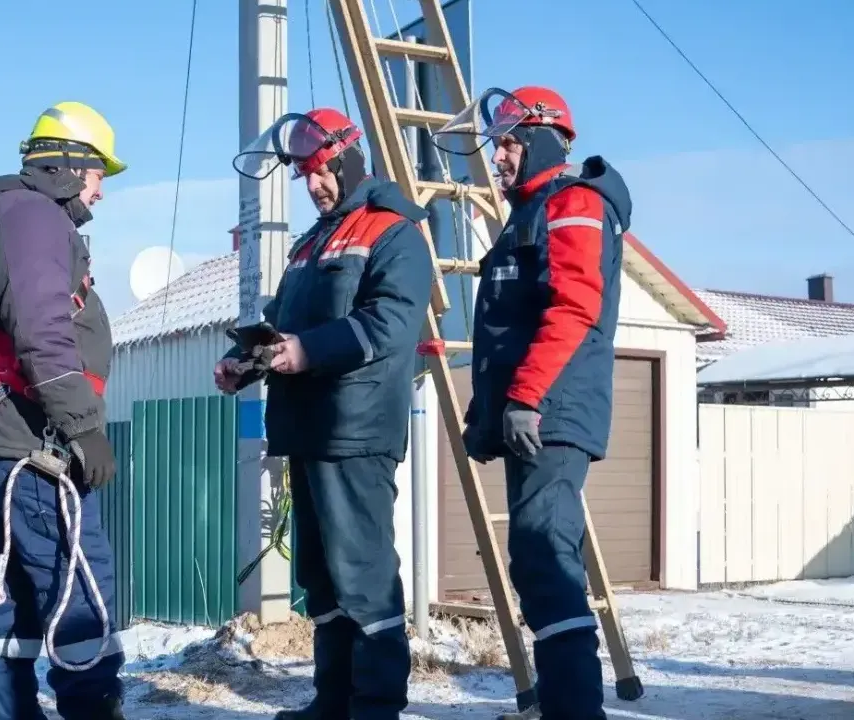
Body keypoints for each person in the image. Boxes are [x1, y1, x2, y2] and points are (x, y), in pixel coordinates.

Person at [218, 107, 434, 720]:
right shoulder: (312, 243)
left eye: (319, 171)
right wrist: (247, 361)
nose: (312, 184)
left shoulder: (393, 232)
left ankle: (376, 705)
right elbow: (283, 323)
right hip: (309, 434)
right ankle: (332, 702)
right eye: (304, 175)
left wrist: (305, 351)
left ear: (347, 158)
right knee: (322, 576)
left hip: (357, 433)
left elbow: (389, 323)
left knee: (362, 575)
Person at [433, 86, 632, 720]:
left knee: (545, 552)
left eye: (512, 142)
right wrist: (487, 412)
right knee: (538, 555)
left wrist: (522, 396)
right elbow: (509, 328)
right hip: (533, 410)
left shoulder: (573, 203)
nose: (500, 157)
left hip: (552, 411)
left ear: (545, 138)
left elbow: (573, 306)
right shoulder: (524, 216)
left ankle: (575, 710)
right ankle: (566, 704)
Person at [0, 101, 125, 720]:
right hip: (31, 441)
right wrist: (84, 427)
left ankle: (4, 712)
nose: (101, 192)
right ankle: (92, 708)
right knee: (77, 585)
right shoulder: (33, 220)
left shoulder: (8, 214)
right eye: (100, 174)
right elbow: (44, 333)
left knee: (12, 592)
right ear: (72, 167)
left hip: (5, 435)